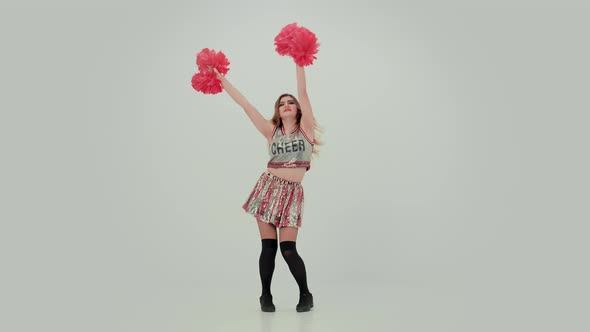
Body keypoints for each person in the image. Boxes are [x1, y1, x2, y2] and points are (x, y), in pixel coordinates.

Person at [211, 64, 320, 312]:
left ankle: (306, 295)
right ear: (278, 112)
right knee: (268, 248)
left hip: (292, 194)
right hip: (268, 189)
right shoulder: (272, 131)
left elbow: (303, 92)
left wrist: (298, 59)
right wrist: (220, 78)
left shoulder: (307, 129)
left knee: (288, 249)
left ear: (298, 109)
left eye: (290, 102)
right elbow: (246, 106)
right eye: (282, 104)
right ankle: (265, 296)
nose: (287, 105)